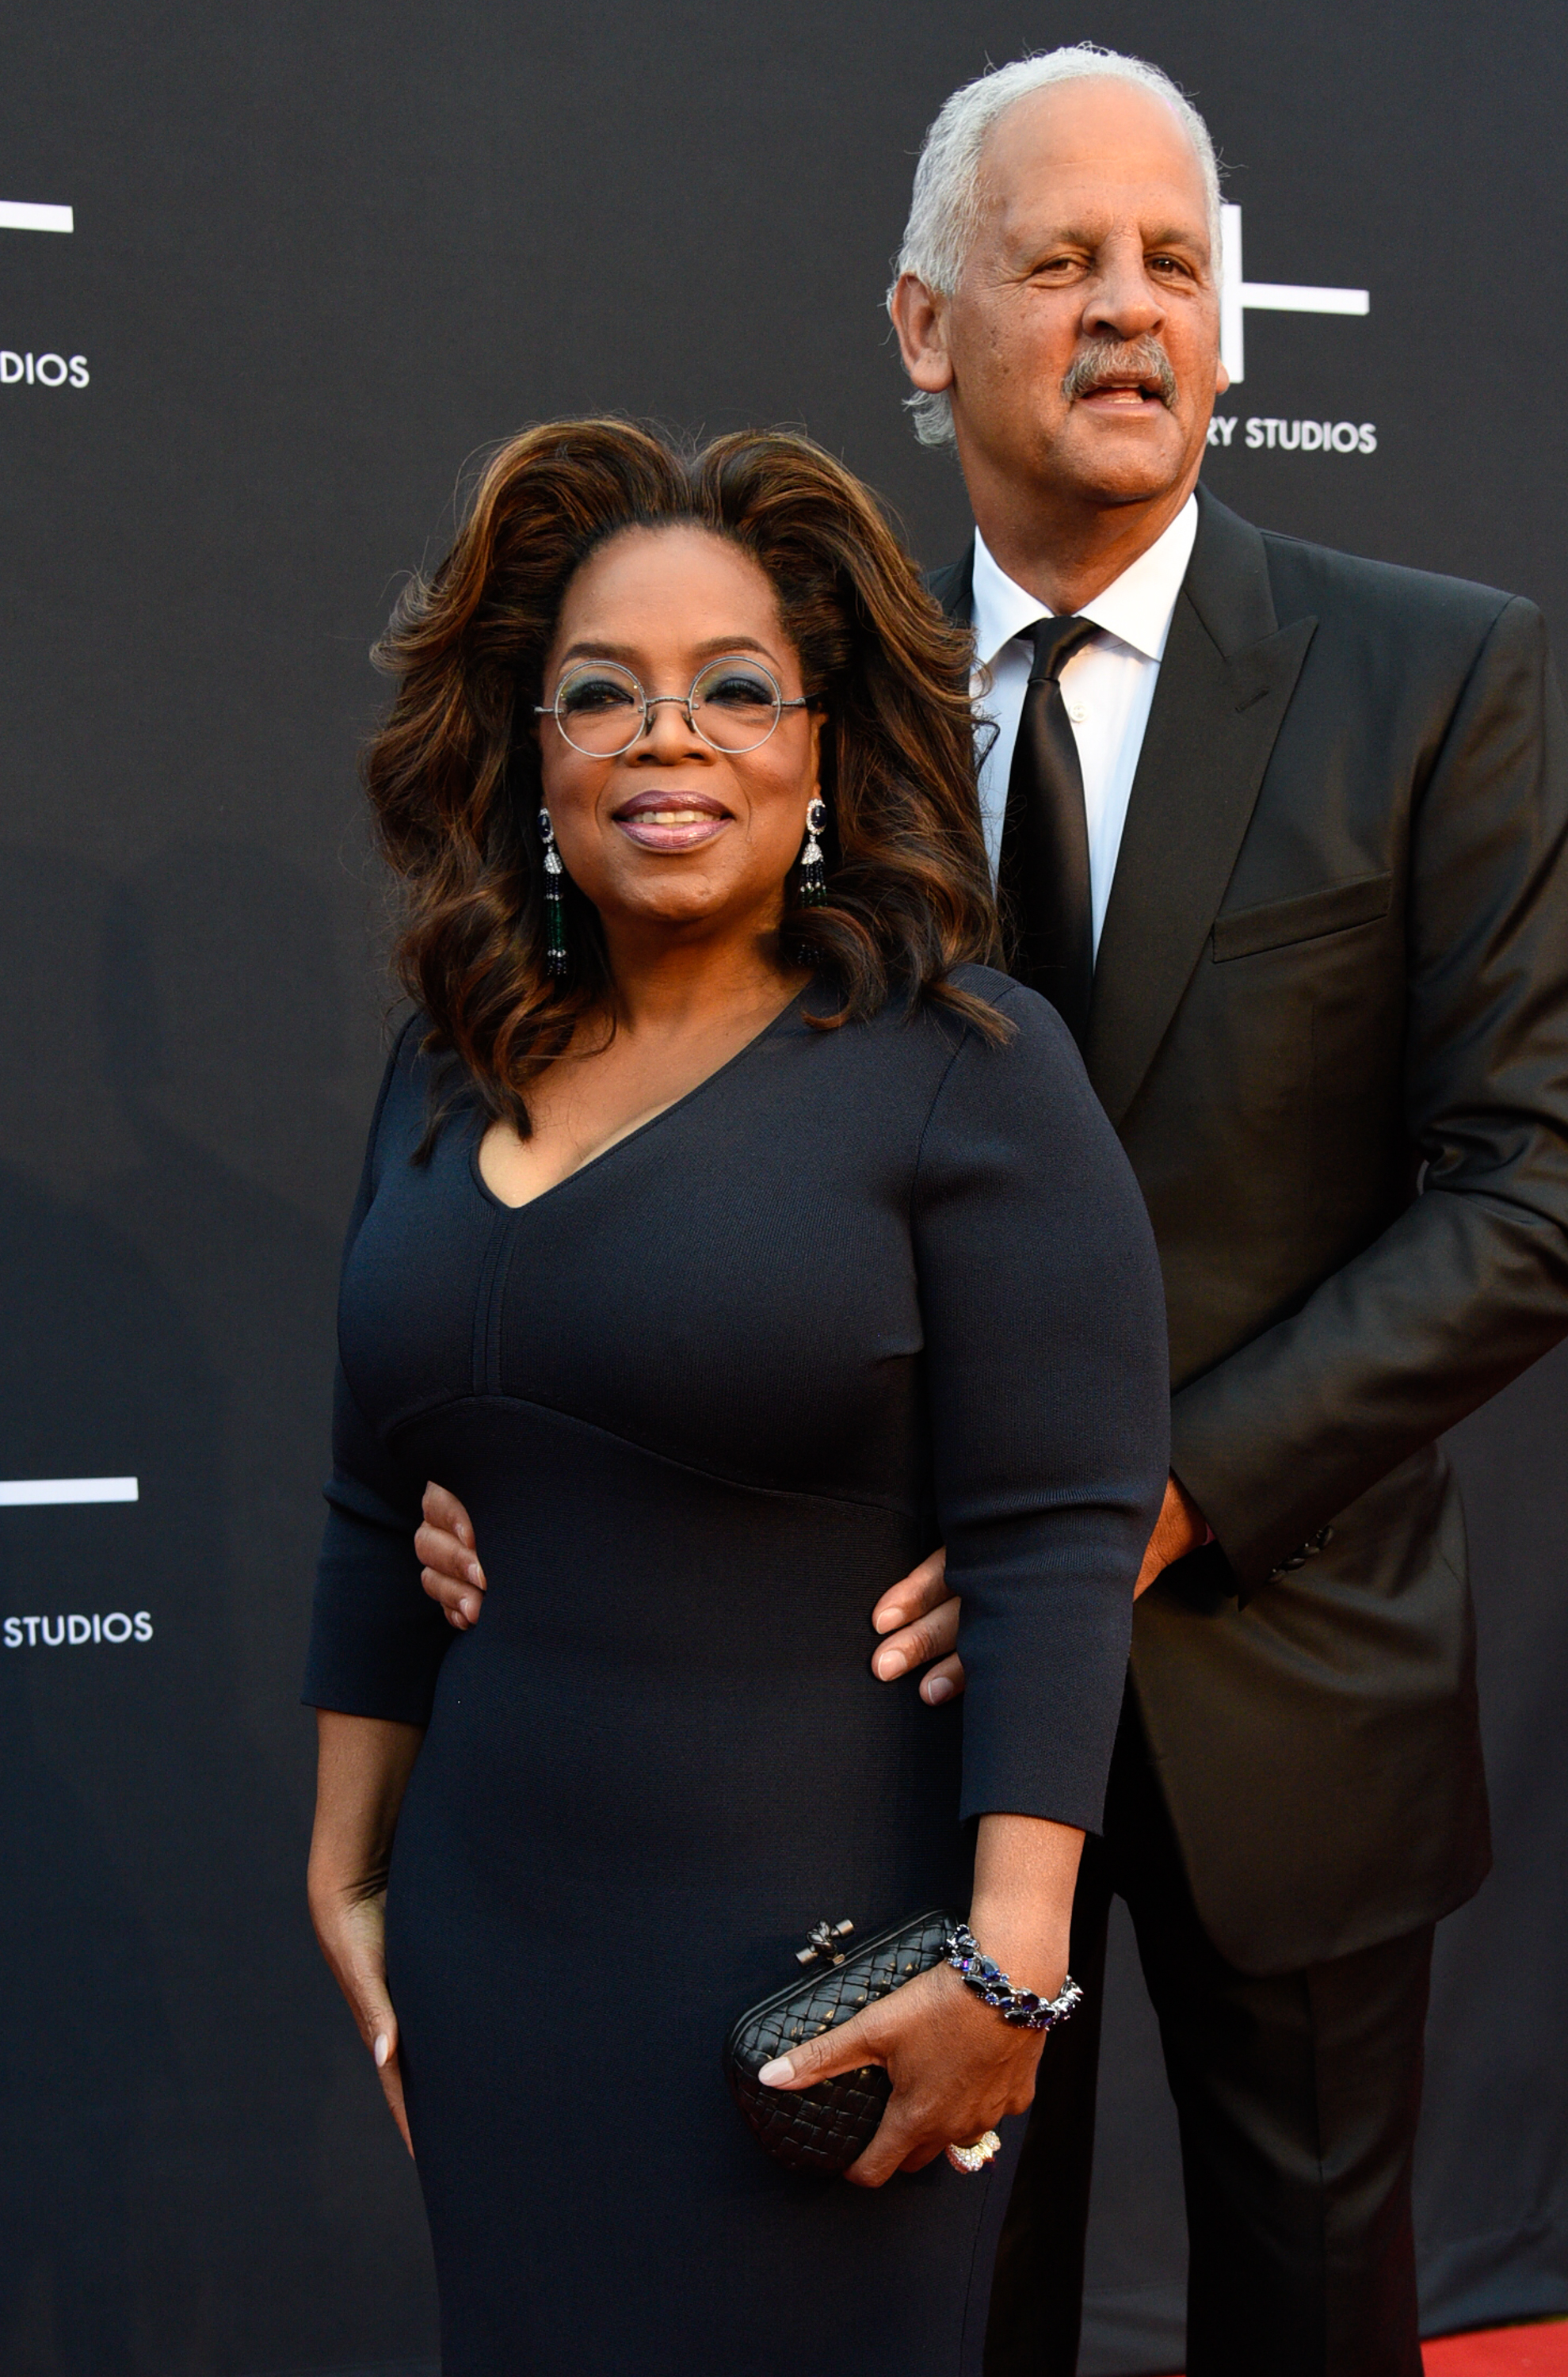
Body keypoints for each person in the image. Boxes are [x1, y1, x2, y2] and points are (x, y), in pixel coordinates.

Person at [416, 47, 1568, 2377]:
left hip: (1292, 1682)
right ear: (917, 327)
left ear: (1233, 332)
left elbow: (1543, 1191)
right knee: (940, 2323)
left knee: (1308, 2321)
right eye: (1056, 258)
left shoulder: (1430, 674)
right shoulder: (792, 720)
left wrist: (1144, 1507)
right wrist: (505, 1482)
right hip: (880, 1715)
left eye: (1174, 263)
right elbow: (615, 1117)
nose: (1124, 307)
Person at [303, 418, 1170, 2376]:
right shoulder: (444, 1067)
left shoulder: (965, 1068)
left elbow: (1051, 1540)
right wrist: (344, 1860)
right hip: (492, 1944)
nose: (664, 737)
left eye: (731, 691)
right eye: (599, 694)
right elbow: (375, 1493)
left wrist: (1006, 1971)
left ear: (819, 751)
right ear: (532, 755)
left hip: (813, 1982)